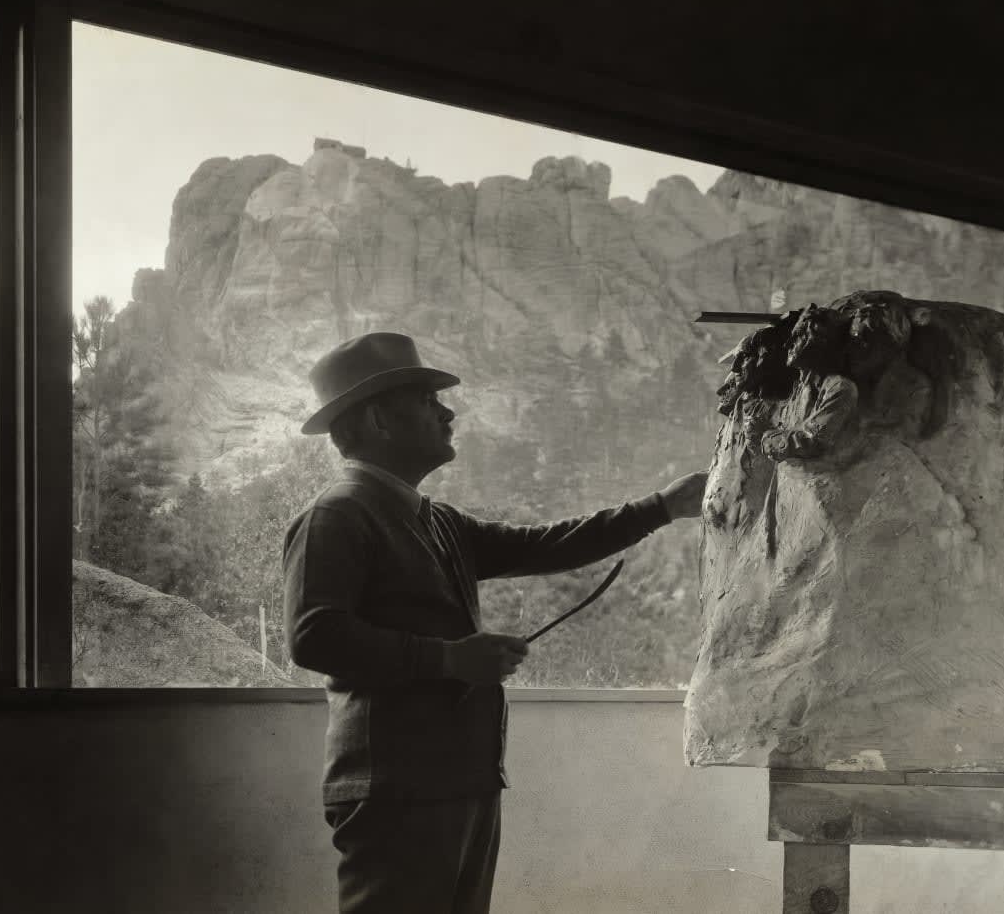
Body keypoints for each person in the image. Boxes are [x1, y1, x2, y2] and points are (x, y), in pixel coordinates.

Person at [283, 331, 707, 914]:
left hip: (457, 783)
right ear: (380, 419)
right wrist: (451, 659)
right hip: (396, 788)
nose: (447, 410)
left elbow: (544, 546)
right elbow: (313, 635)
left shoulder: (436, 521)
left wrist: (661, 508)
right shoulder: (337, 514)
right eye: (428, 400)